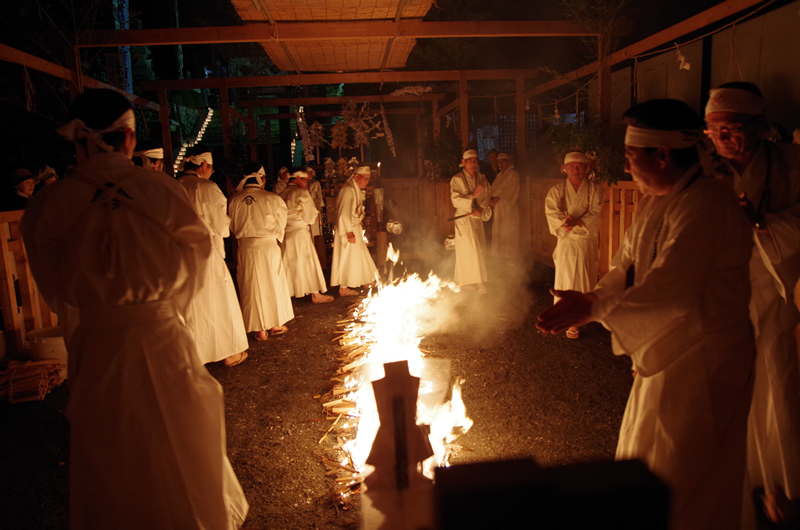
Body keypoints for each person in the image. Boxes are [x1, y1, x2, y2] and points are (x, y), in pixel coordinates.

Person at [19, 88, 248, 529]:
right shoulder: (160, 188)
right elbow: (199, 253)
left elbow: (53, 285)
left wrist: (90, 315)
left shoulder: (50, 203)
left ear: (78, 141)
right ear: (128, 139)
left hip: (98, 341)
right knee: (178, 433)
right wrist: (167, 305)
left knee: (111, 443)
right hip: (163, 333)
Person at [538, 99, 756, 530]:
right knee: (648, 459)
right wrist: (592, 299)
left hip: (705, 359)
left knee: (687, 476)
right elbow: (625, 268)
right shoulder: (658, 201)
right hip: (667, 352)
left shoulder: (707, 204)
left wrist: (597, 308)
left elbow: (672, 291)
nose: (625, 162)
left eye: (632, 153)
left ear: (662, 154)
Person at [703, 82, 800, 525]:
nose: (723, 137)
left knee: (776, 380)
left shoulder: (792, 165)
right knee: (729, 384)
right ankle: (737, 479)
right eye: (714, 129)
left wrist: (761, 223)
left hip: (774, 285)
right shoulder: (705, 173)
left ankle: (784, 483)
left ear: (759, 127)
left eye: (732, 127)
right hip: (724, 294)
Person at [177, 146, 249, 367]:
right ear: (204, 165)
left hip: (178, 255)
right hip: (206, 253)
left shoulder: (172, 186)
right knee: (217, 302)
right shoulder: (207, 187)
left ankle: (193, 354)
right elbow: (221, 226)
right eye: (210, 168)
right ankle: (228, 352)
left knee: (189, 306)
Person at [229, 161, 294, 340]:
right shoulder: (272, 199)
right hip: (267, 246)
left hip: (246, 247)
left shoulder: (234, 200)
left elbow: (232, 225)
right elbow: (282, 223)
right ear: (263, 179)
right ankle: (275, 323)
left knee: (250, 284)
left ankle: (259, 328)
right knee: (271, 283)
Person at [544, 151, 604, 339]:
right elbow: (551, 212)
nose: (576, 169)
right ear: (565, 169)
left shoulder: (595, 189)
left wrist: (577, 221)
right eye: (572, 166)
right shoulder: (556, 190)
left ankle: (585, 314)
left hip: (585, 240)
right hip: (567, 240)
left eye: (580, 166)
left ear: (586, 168)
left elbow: (597, 211)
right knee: (566, 278)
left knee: (585, 276)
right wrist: (566, 223)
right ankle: (566, 318)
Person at [279, 170, 333, 304]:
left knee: (288, 262)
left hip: (286, 232)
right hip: (299, 232)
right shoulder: (301, 193)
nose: (306, 184)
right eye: (304, 180)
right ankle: (315, 293)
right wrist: (312, 218)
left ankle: (286, 293)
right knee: (307, 261)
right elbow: (311, 216)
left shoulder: (281, 194)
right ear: (296, 178)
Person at [330, 165, 379, 296]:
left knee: (359, 254)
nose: (367, 182)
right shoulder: (348, 190)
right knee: (347, 256)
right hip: (348, 228)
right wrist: (349, 231)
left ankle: (365, 279)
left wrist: (357, 220)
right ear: (356, 176)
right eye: (365, 179)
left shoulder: (354, 189)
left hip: (354, 226)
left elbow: (353, 210)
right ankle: (343, 287)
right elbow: (344, 213)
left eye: (369, 179)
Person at [450, 149, 492, 293]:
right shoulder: (457, 179)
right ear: (463, 163)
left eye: (475, 161)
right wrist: (472, 197)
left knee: (478, 248)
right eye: (470, 161)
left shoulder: (481, 178)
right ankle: (477, 283)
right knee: (468, 250)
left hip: (476, 218)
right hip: (464, 218)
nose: (473, 164)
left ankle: (465, 282)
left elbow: (487, 196)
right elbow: (455, 200)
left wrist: (480, 209)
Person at [489, 152, 520, 261]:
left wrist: (496, 199)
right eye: (498, 162)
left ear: (508, 162)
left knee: (508, 231)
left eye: (503, 162)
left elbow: (510, 190)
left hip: (507, 206)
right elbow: (493, 190)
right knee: (499, 231)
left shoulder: (513, 174)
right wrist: (490, 199)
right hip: (499, 207)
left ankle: (511, 259)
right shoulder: (500, 175)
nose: (500, 165)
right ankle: (499, 257)